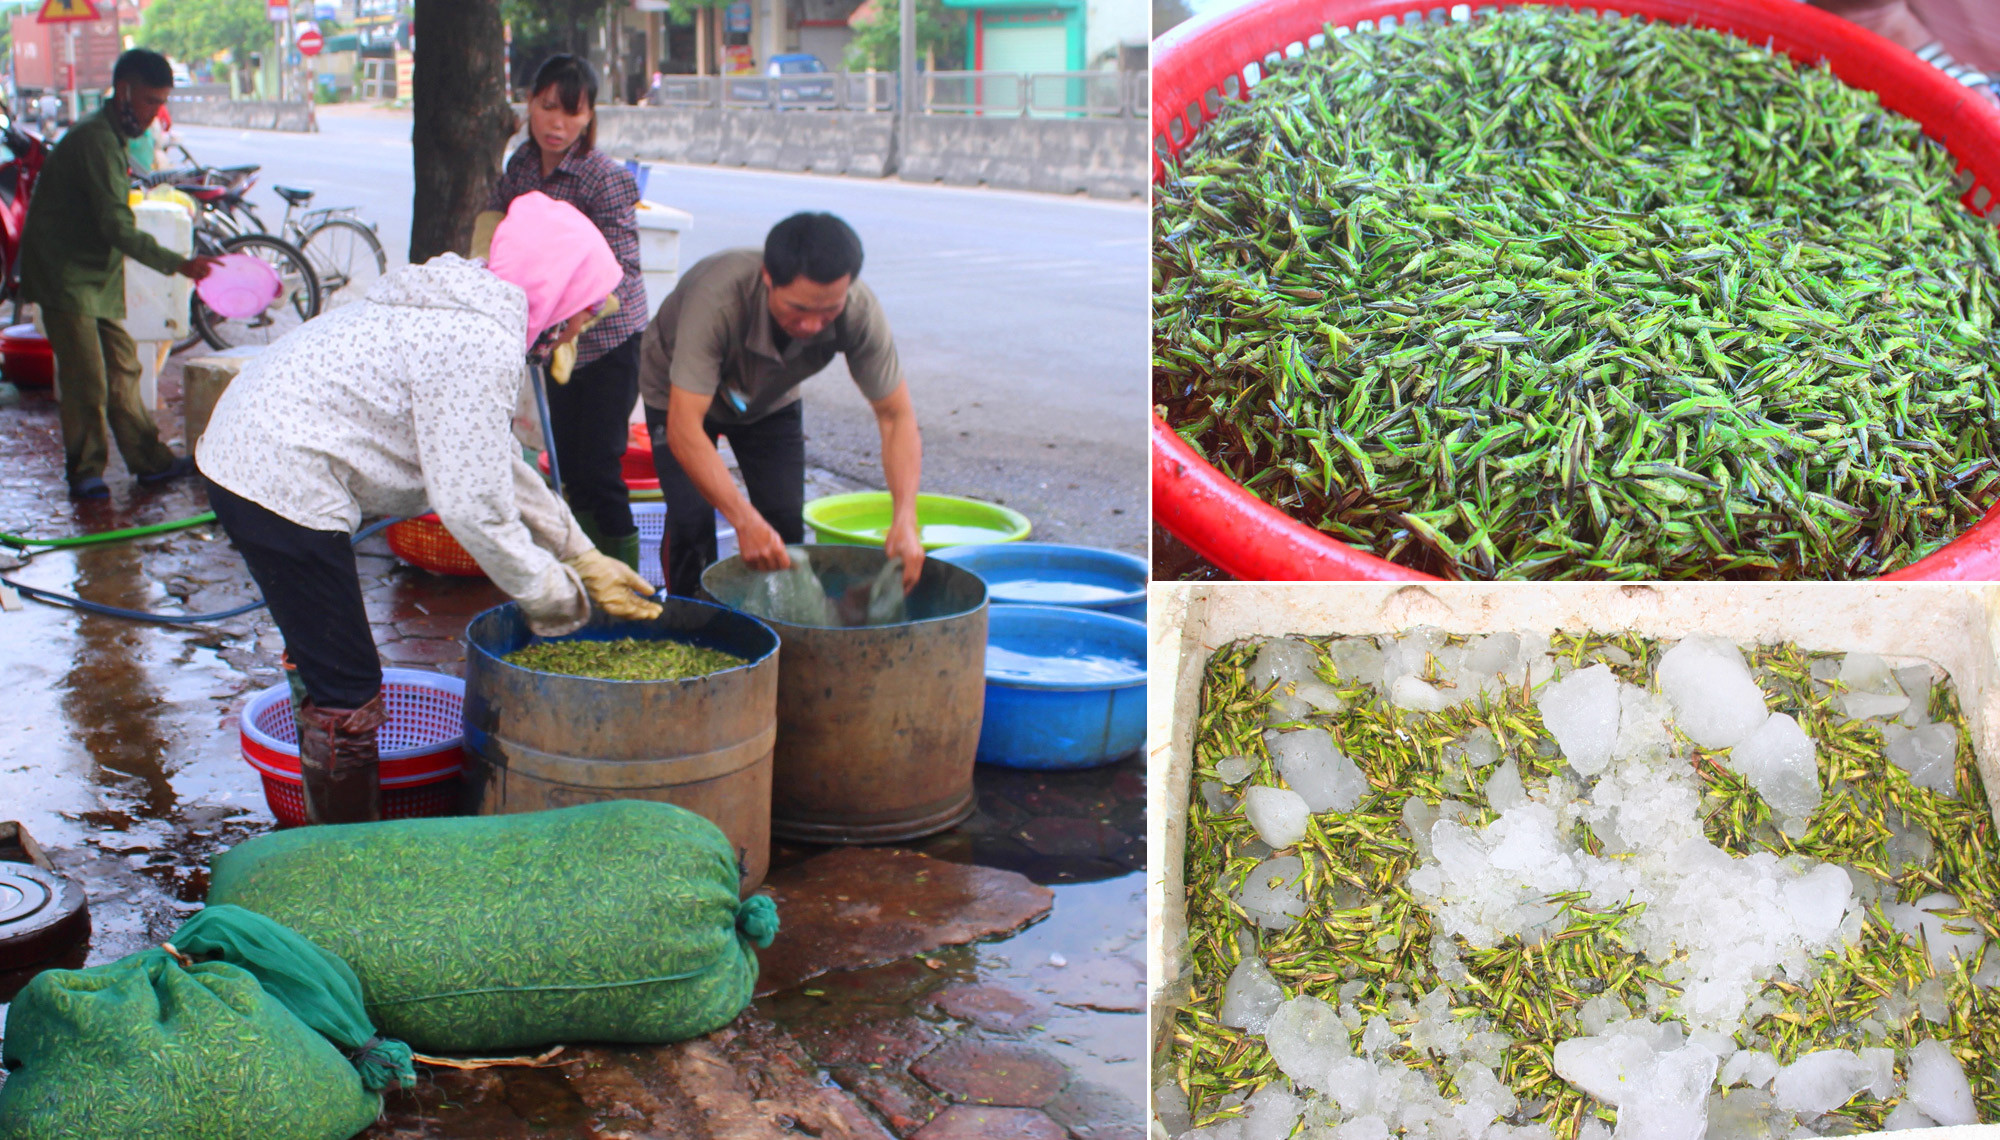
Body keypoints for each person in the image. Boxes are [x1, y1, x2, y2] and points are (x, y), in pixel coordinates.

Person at [196, 192, 662, 825]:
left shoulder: (469, 299)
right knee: (351, 689)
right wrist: (559, 600)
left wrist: (581, 553)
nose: (579, 331)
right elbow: (470, 505)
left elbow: (496, 459)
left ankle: (320, 744)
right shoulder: (478, 340)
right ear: (555, 296)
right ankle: (344, 855)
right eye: (581, 315)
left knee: (324, 645)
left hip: (253, 445)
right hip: (276, 475)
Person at [640, 211, 924, 598]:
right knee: (692, 522)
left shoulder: (859, 311)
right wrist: (742, 520)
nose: (813, 325)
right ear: (768, 278)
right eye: (799, 309)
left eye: (829, 311)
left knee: (784, 525)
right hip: (679, 393)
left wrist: (906, 519)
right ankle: (688, 619)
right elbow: (685, 428)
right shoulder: (718, 299)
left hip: (769, 397)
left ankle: (782, 631)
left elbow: (895, 416)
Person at [18, 49, 218, 500]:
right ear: (124, 92)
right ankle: (85, 470)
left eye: (161, 101)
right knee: (86, 376)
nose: (154, 113)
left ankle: (150, 462)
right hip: (64, 272)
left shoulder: (111, 136)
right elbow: (114, 224)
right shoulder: (94, 139)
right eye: (150, 101)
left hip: (96, 271)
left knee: (124, 365)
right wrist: (179, 263)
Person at [486, 54, 649, 570]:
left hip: (606, 342)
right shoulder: (523, 165)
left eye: (571, 112)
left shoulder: (604, 177)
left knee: (598, 466)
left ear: (589, 117)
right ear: (529, 104)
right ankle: (582, 571)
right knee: (565, 464)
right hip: (550, 343)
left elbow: (621, 270)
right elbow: (497, 228)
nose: (557, 124)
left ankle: (625, 578)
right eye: (547, 107)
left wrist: (575, 323)